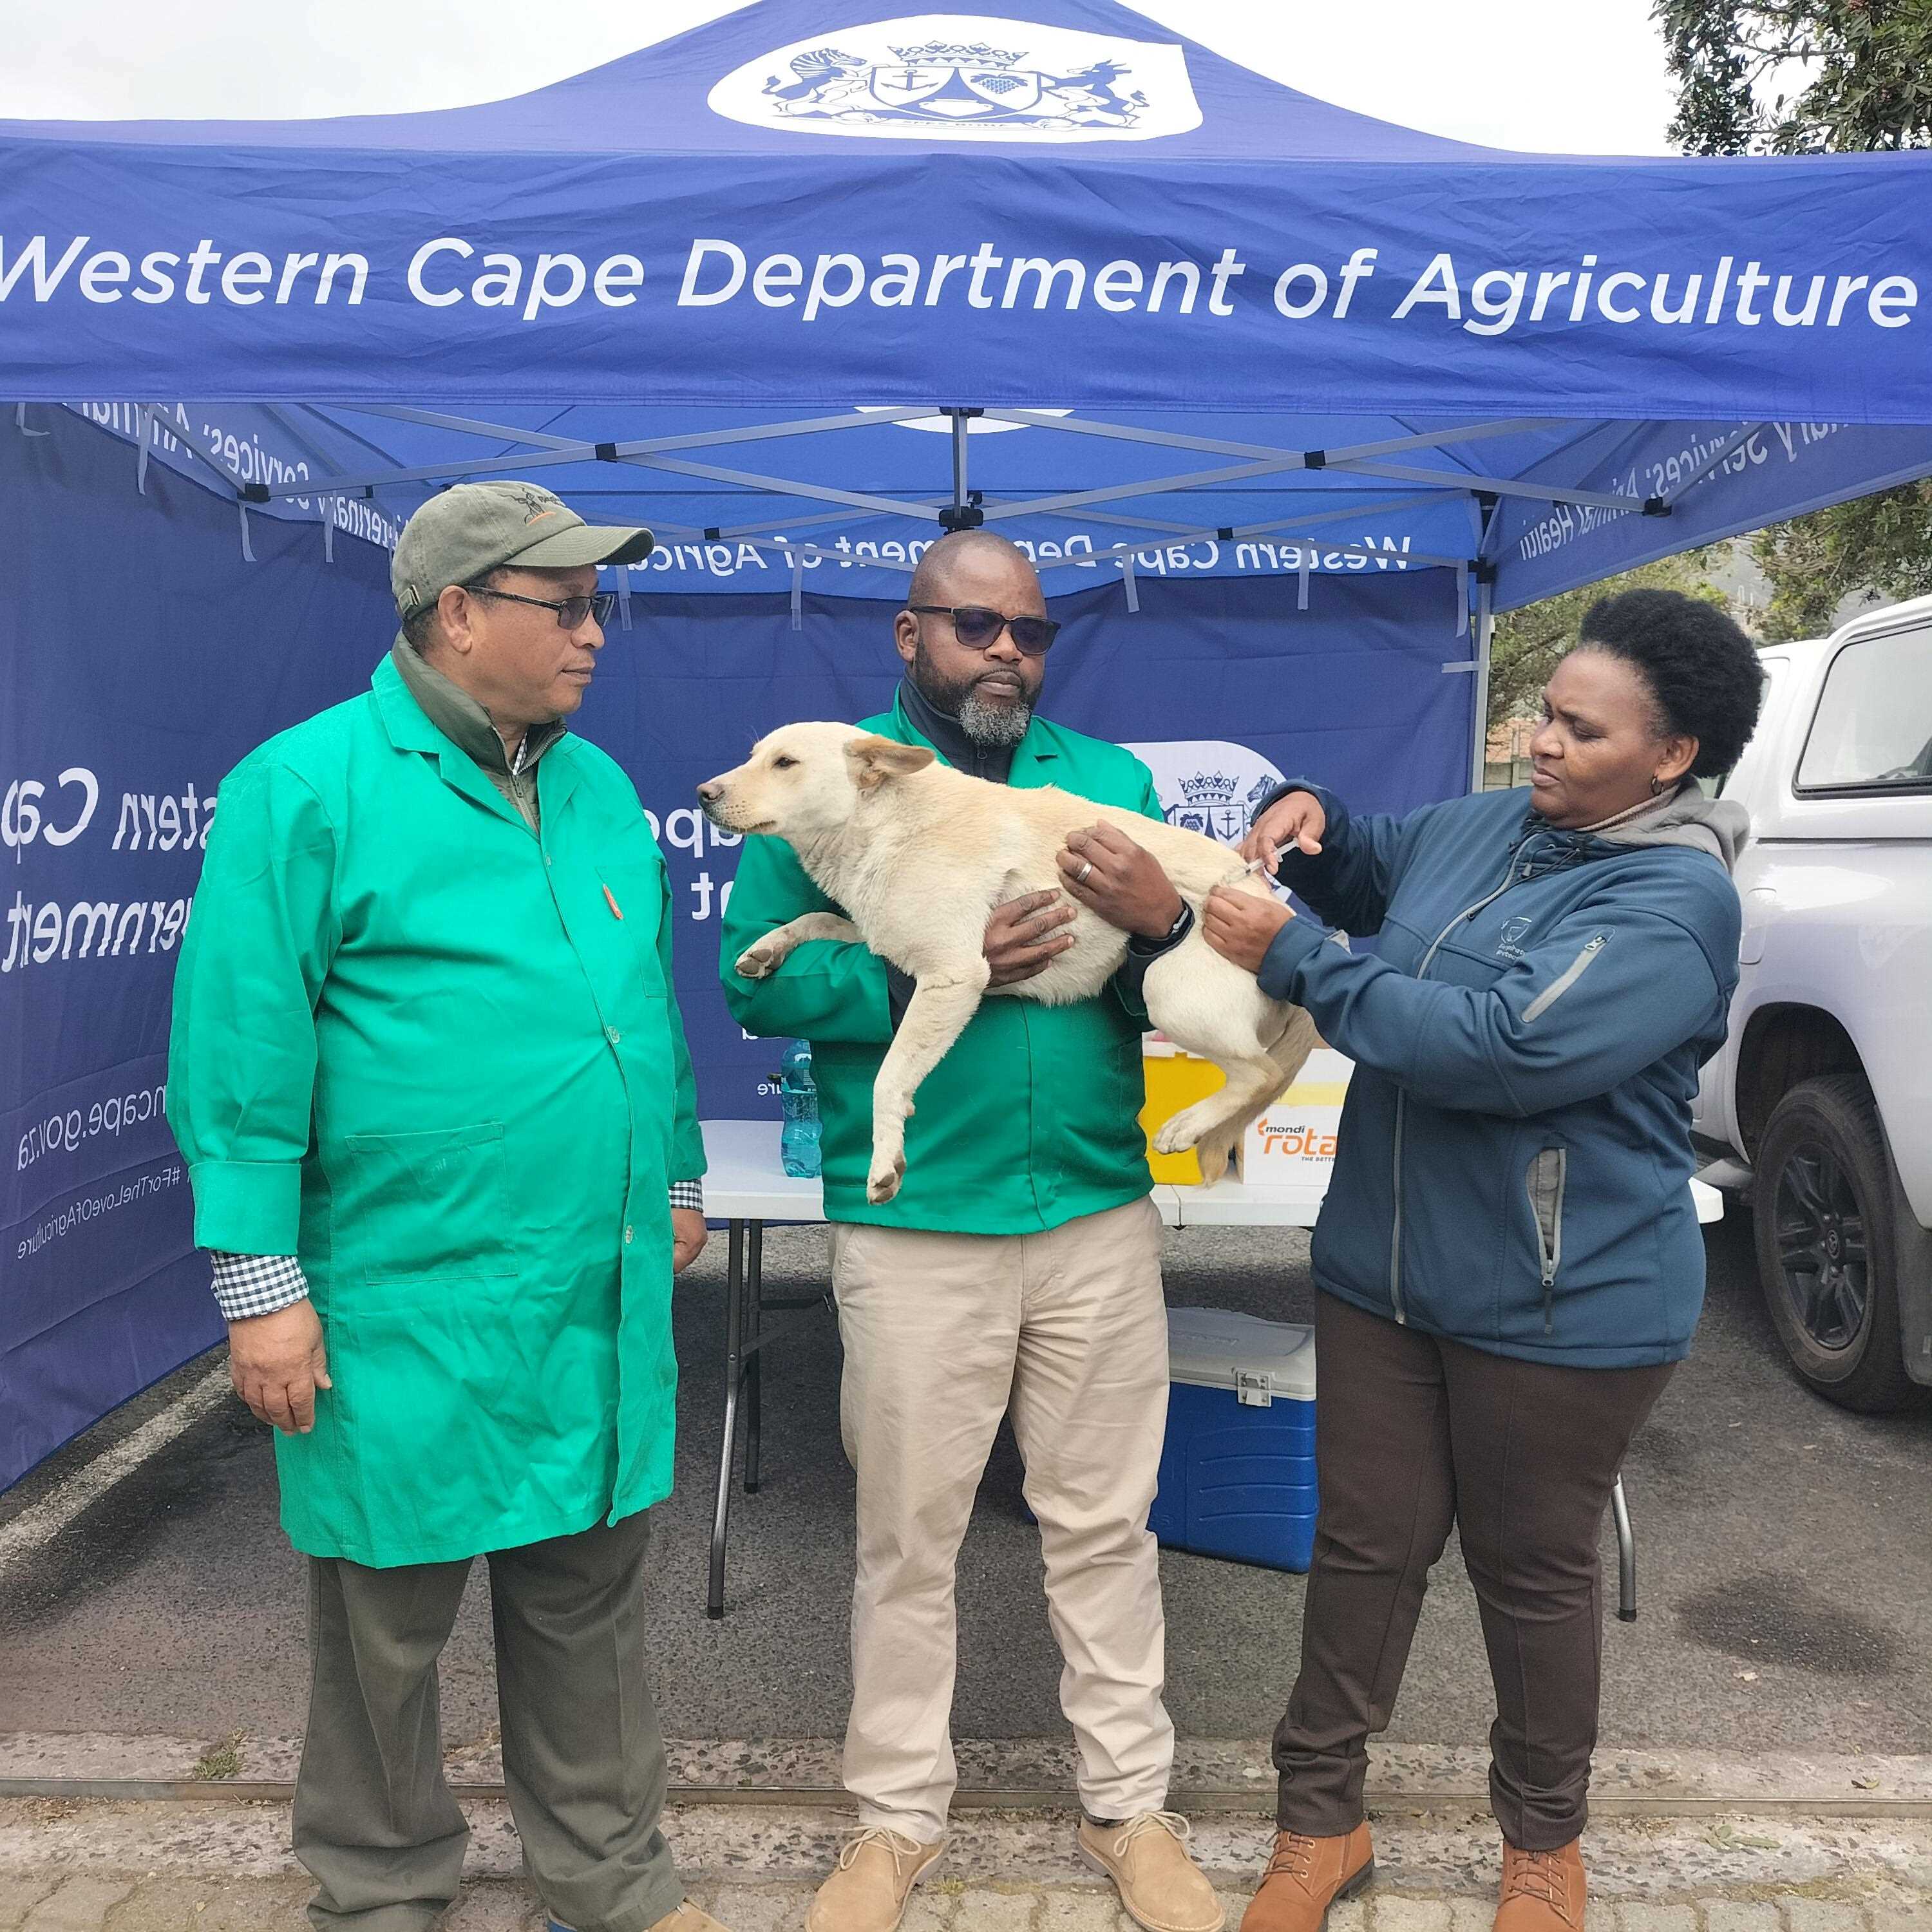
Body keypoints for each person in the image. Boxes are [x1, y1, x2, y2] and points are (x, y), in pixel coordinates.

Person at [167, 482, 728, 1932]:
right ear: (459, 612)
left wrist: (670, 1175)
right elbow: (239, 1061)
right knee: (382, 1640)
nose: (595, 635)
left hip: (588, 1294)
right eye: (568, 604)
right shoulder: (306, 787)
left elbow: (640, 1013)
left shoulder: (597, 791)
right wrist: (260, 1293)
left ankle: (606, 1887)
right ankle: (378, 1890)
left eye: (601, 605)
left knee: (590, 1614)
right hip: (403, 1301)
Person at [1199, 589, 1766, 1932]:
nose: (1541, 746)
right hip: (1385, 1275)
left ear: (1671, 755)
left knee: (1531, 1572)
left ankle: (1545, 1851)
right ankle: (1319, 1828)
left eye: (1580, 728)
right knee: (1363, 1550)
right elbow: (1378, 856)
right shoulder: (1495, 825)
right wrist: (1311, 818)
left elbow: (1503, 1051)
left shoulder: (1675, 900)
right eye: (1542, 715)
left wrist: (1300, 958)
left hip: (1562, 1298)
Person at [719, 530, 1224, 1932]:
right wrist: (929, 978)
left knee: (1107, 1525)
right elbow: (749, 986)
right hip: (916, 1222)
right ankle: (894, 1825)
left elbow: (1156, 974)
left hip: (1092, 1207)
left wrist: (1166, 924)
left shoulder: (1107, 783)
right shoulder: (815, 774)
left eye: (1031, 633)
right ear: (909, 635)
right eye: (975, 627)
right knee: (907, 1538)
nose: (1007, 653)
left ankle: (1132, 1809)